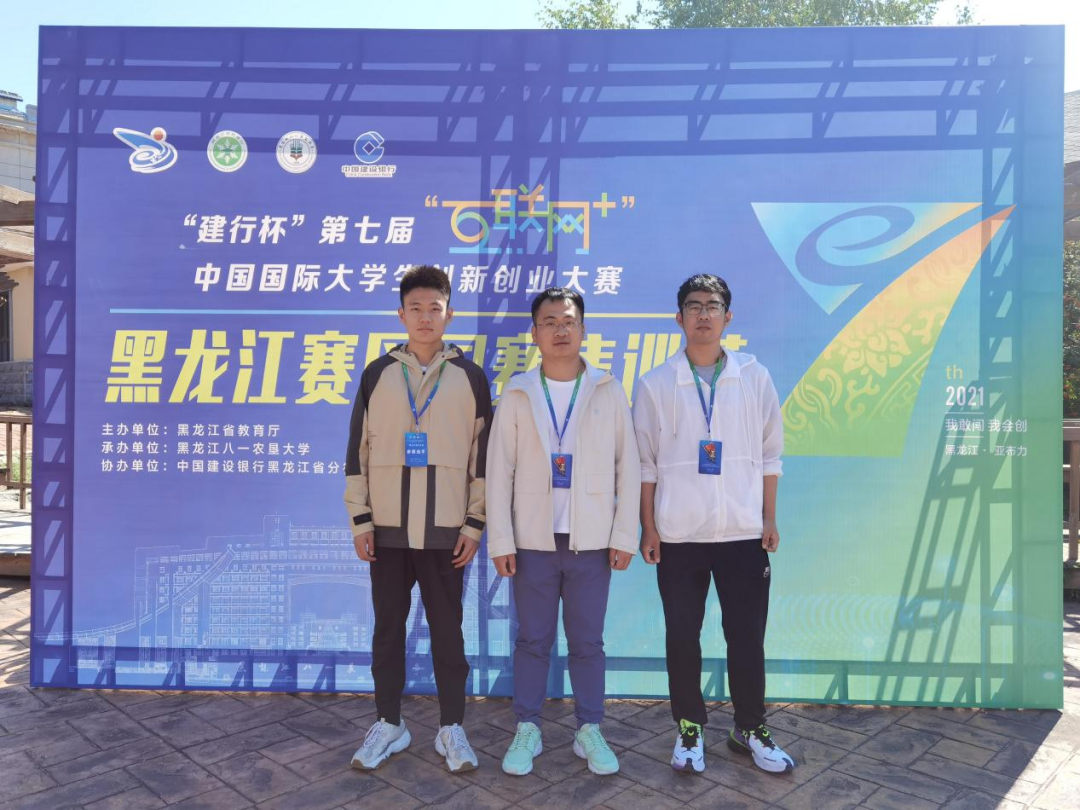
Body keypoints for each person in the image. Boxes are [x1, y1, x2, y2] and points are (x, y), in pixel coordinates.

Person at [633, 273, 795, 775]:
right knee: (683, 636)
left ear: (728, 316)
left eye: (713, 305)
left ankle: (750, 727)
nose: (703, 314)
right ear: (678, 317)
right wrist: (648, 527)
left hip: (743, 534)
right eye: (694, 305)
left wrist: (768, 517)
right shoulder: (655, 384)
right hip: (679, 536)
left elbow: (771, 455)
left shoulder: (754, 377)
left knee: (746, 636)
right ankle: (689, 727)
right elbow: (645, 465)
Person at [486, 287, 640, 777]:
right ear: (534, 333)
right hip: (532, 543)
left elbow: (629, 468)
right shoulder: (518, 392)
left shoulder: (607, 390)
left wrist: (624, 536)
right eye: (549, 322)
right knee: (533, 641)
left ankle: (589, 728)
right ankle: (527, 727)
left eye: (568, 321)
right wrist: (501, 540)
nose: (560, 330)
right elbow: (499, 471)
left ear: (583, 330)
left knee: (587, 642)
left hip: (590, 544)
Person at [344, 265, 492, 772]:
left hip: (445, 532)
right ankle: (389, 723)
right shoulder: (377, 374)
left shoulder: (470, 378)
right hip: (386, 532)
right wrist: (361, 521)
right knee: (387, 631)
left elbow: (481, 460)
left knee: (449, 633)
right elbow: (357, 454)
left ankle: (451, 727)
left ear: (450, 314)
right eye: (416, 308)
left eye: (435, 308)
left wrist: (473, 524)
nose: (425, 317)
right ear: (400, 315)